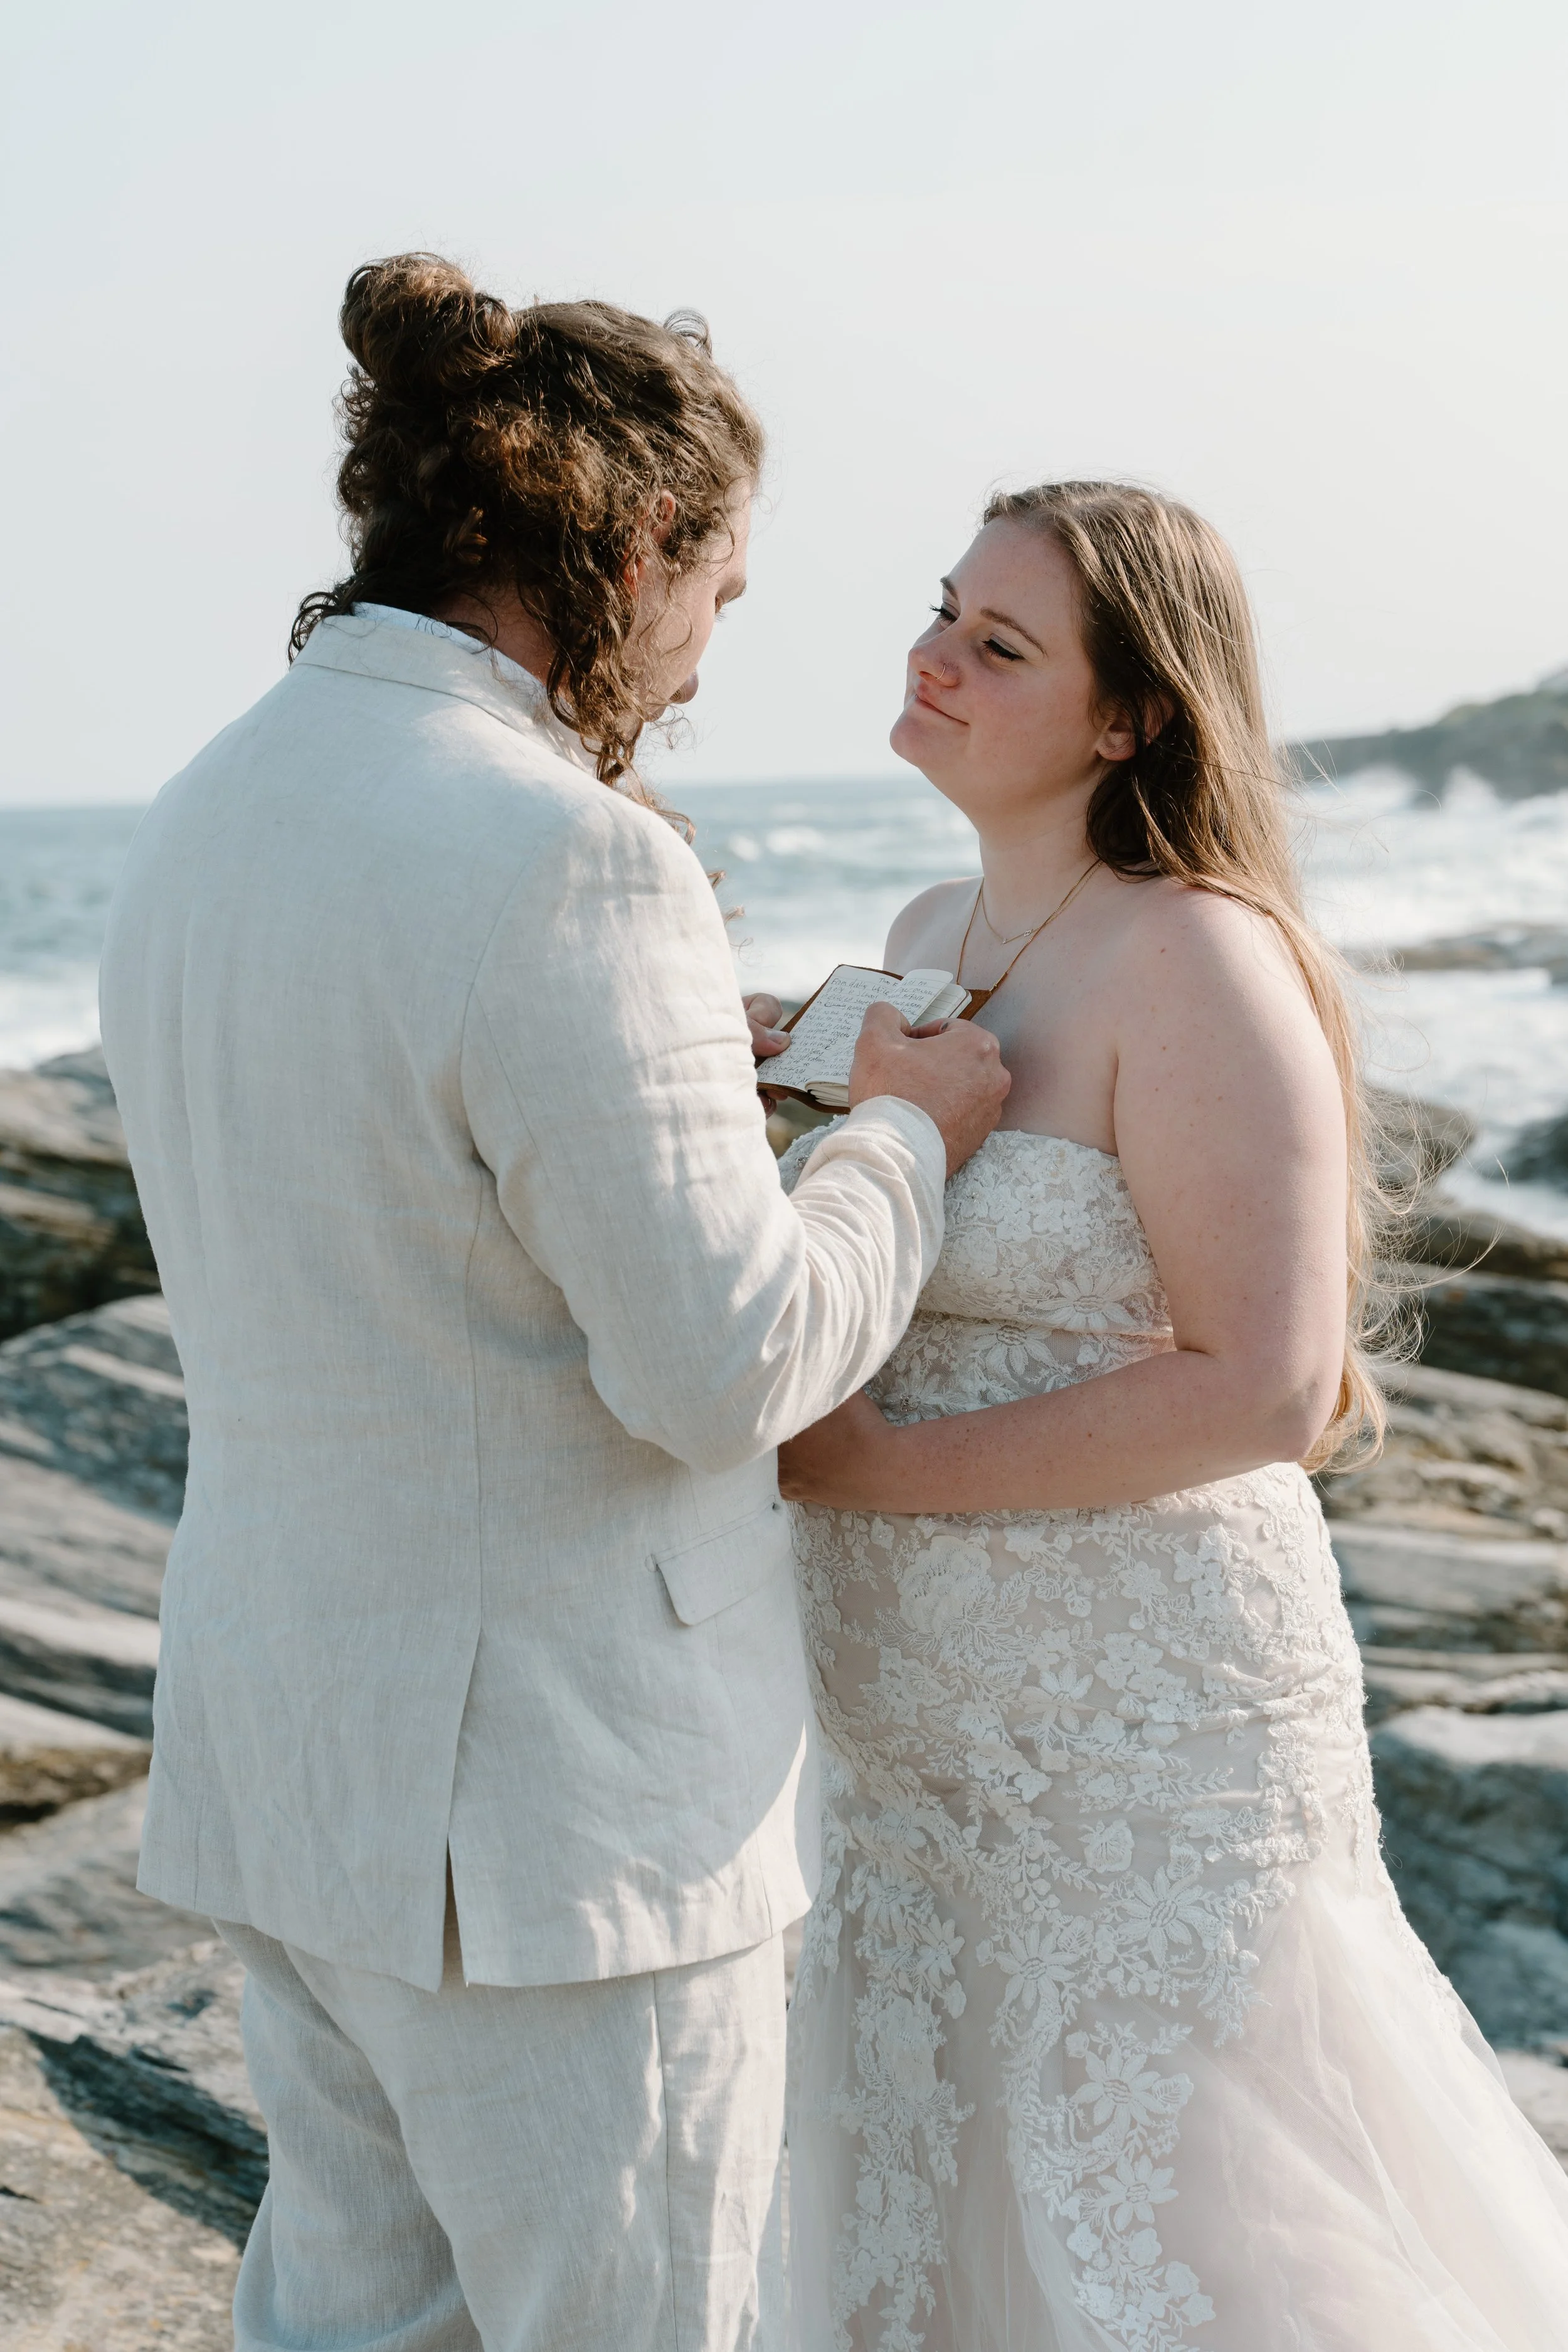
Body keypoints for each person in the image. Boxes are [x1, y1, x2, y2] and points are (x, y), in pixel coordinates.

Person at [97, 253, 1007, 2352]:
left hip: (294, 1758)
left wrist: (709, 1066)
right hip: (559, 1822)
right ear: (625, 547)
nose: (703, 654)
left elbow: (402, 1191)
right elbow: (726, 1365)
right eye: (721, 590)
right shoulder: (575, 861)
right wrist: (905, 1133)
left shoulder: (202, 810)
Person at [776, 480, 1568, 2350]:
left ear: (1132, 713)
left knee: (1190, 2223)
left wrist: (876, 1470)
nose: (932, 656)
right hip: (904, 1731)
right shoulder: (927, 919)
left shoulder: (1199, 957)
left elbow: (1270, 1384)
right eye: (941, 611)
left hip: (1136, 1726)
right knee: (928, 2191)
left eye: (1000, 642)